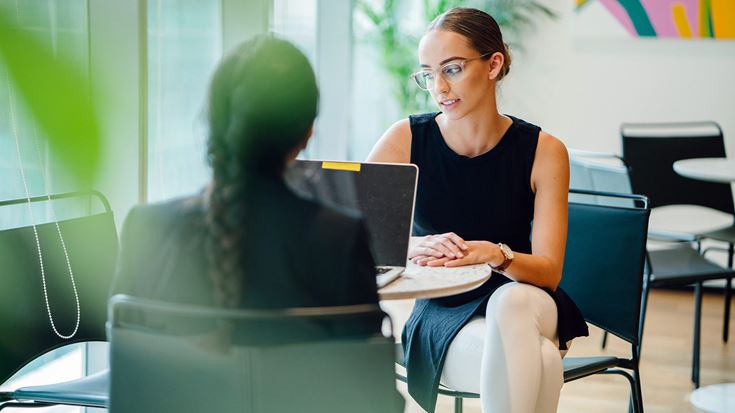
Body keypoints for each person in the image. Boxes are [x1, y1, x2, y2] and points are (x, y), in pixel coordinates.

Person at [368, 7, 588, 413]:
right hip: (441, 303)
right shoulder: (406, 139)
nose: (439, 88)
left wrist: (495, 254)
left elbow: (548, 272)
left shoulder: (544, 151)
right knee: (542, 360)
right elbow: (353, 231)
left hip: (527, 296)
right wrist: (414, 245)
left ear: (494, 64)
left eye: (451, 69)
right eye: (427, 74)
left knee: (512, 302)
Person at [111, 35, 379, 339]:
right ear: (307, 133)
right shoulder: (339, 241)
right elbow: (362, 378)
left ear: (214, 123)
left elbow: (129, 366)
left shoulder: (146, 228)